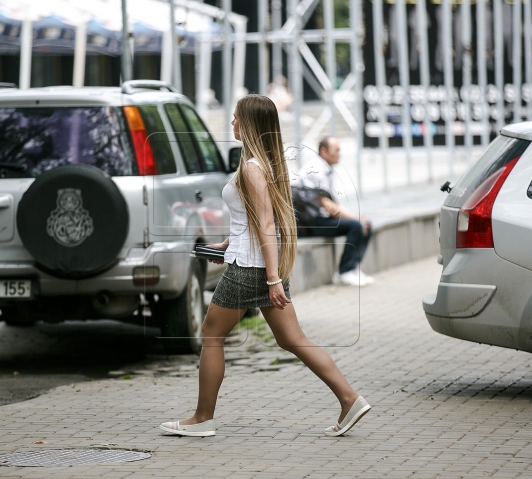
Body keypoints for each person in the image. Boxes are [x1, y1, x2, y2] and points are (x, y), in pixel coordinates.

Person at [159, 95, 370, 438]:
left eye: (236, 118)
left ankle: (202, 418)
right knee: (292, 339)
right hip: (254, 263)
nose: (232, 124)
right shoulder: (262, 164)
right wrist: (225, 247)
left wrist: (272, 278)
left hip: (251, 270)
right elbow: (251, 222)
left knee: (211, 335)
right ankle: (349, 399)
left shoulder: (253, 168)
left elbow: (268, 225)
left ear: (250, 124)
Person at [295, 137, 374, 286]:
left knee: (366, 224)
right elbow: (328, 206)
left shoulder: (325, 169)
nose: (340, 154)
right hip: (311, 223)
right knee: (356, 226)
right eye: (337, 150)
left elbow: (333, 203)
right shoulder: (316, 170)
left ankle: (353, 268)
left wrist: (357, 217)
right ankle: (344, 272)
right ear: (323, 151)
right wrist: (356, 219)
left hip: (320, 219)